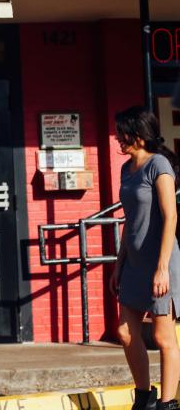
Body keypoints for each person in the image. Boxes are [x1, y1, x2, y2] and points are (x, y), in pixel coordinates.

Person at [111, 106, 180, 410]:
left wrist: (162, 268)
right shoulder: (127, 169)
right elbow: (130, 221)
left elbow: (171, 217)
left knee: (164, 338)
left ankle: (167, 403)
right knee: (126, 332)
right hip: (134, 264)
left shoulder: (159, 165)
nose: (117, 138)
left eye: (121, 132)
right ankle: (144, 397)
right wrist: (118, 264)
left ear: (138, 134)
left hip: (160, 263)